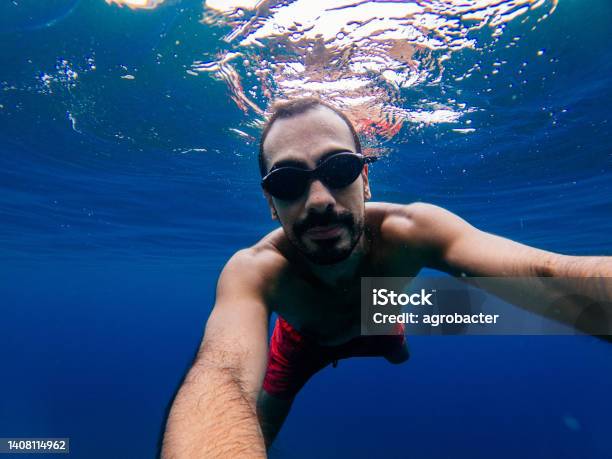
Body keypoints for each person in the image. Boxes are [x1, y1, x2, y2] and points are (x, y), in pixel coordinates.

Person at [161, 97, 611, 458]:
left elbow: (545, 273)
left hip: (378, 314)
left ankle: (392, 336)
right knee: (261, 422)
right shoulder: (255, 269)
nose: (318, 199)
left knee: (399, 344)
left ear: (365, 180)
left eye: (339, 169)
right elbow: (222, 376)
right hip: (302, 343)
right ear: (270, 204)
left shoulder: (412, 229)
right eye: (288, 182)